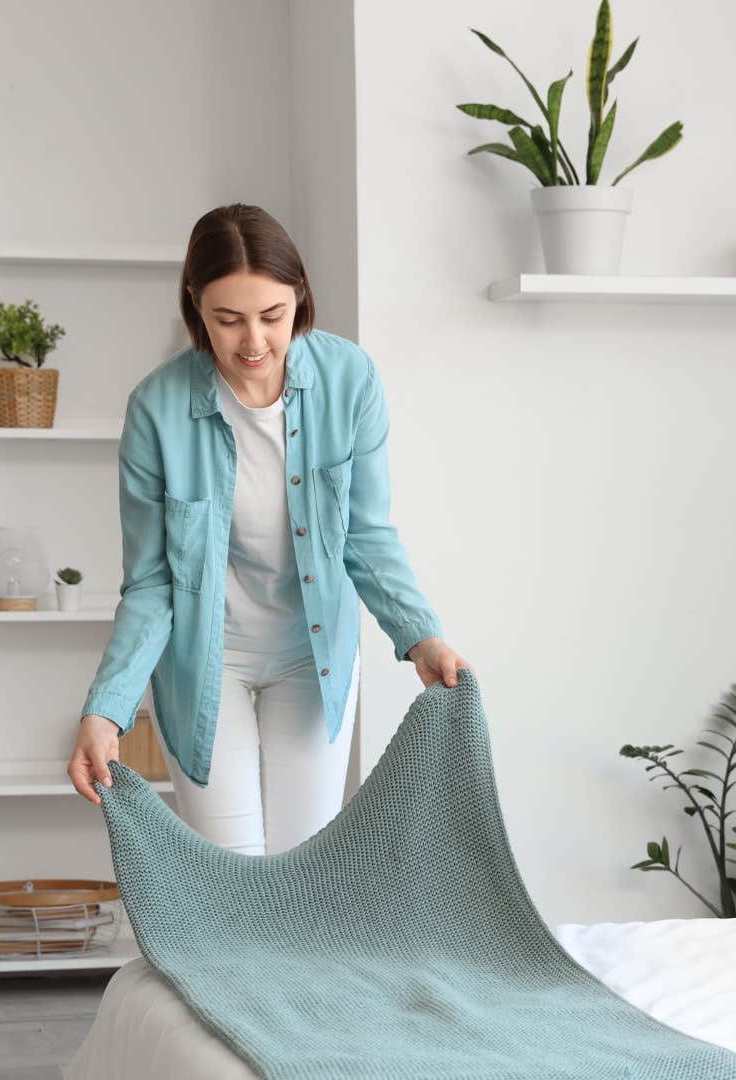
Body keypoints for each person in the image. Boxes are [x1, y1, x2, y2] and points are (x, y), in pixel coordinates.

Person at [65, 203, 467, 856]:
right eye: (228, 319)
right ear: (195, 307)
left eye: (272, 317)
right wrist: (105, 708)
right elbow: (151, 582)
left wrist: (421, 635)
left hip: (314, 657)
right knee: (237, 875)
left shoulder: (350, 380)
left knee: (299, 870)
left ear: (299, 301)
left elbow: (366, 535)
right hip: (206, 662)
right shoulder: (157, 409)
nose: (253, 340)